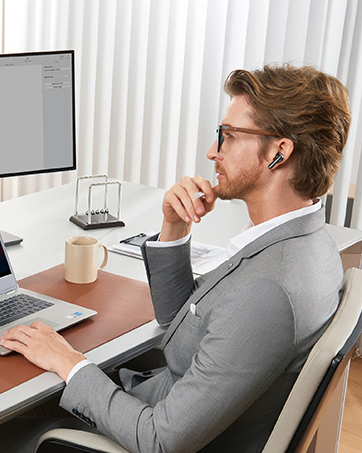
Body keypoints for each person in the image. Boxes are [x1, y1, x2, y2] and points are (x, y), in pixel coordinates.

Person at [1, 64, 351, 453]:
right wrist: (174, 227)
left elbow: (160, 441)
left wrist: (69, 361)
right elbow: (184, 325)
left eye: (229, 135)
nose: (213, 151)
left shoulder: (268, 290)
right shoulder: (310, 245)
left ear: (278, 153)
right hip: (157, 399)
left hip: (145, 430)